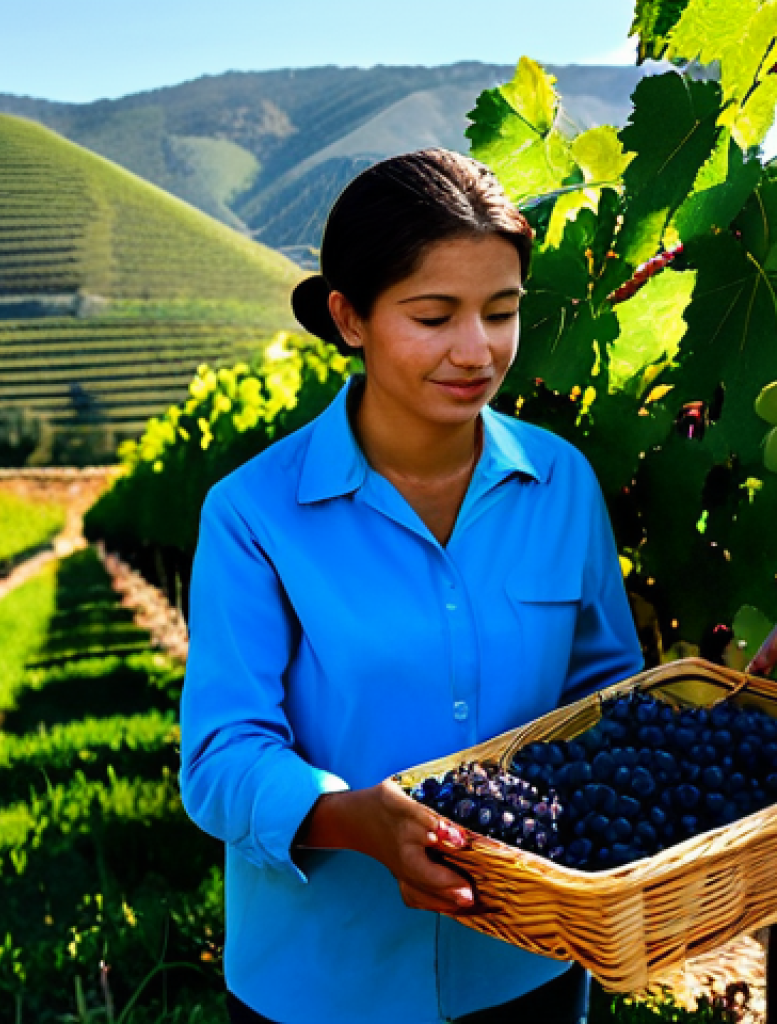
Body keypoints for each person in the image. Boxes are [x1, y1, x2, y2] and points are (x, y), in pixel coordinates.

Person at [179, 149, 644, 1024]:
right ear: (349, 317)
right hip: (324, 984)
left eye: (501, 312)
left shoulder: (563, 484)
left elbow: (608, 703)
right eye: (434, 316)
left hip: (529, 965)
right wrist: (355, 820)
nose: (476, 351)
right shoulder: (252, 514)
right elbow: (221, 758)